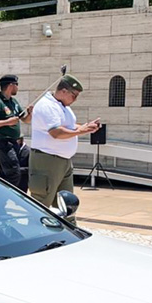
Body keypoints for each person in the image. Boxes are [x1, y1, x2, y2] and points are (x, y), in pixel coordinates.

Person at [28, 73, 99, 220]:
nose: (75, 99)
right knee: (42, 202)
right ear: (64, 91)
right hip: (47, 160)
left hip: (63, 160)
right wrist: (80, 131)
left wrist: (85, 127)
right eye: (74, 95)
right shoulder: (47, 105)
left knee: (66, 203)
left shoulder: (62, 106)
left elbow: (70, 127)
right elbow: (56, 132)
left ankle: (69, 233)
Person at [0, 74, 33, 192]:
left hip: (15, 144)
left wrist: (30, 113)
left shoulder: (13, 102)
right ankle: (4, 197)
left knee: (10, 174)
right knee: (14, 174)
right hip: (4, 143)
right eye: (17, 85)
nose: (18, 88)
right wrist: (6, 122)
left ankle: (2, 201)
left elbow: (25, 120)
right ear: (11, 85)